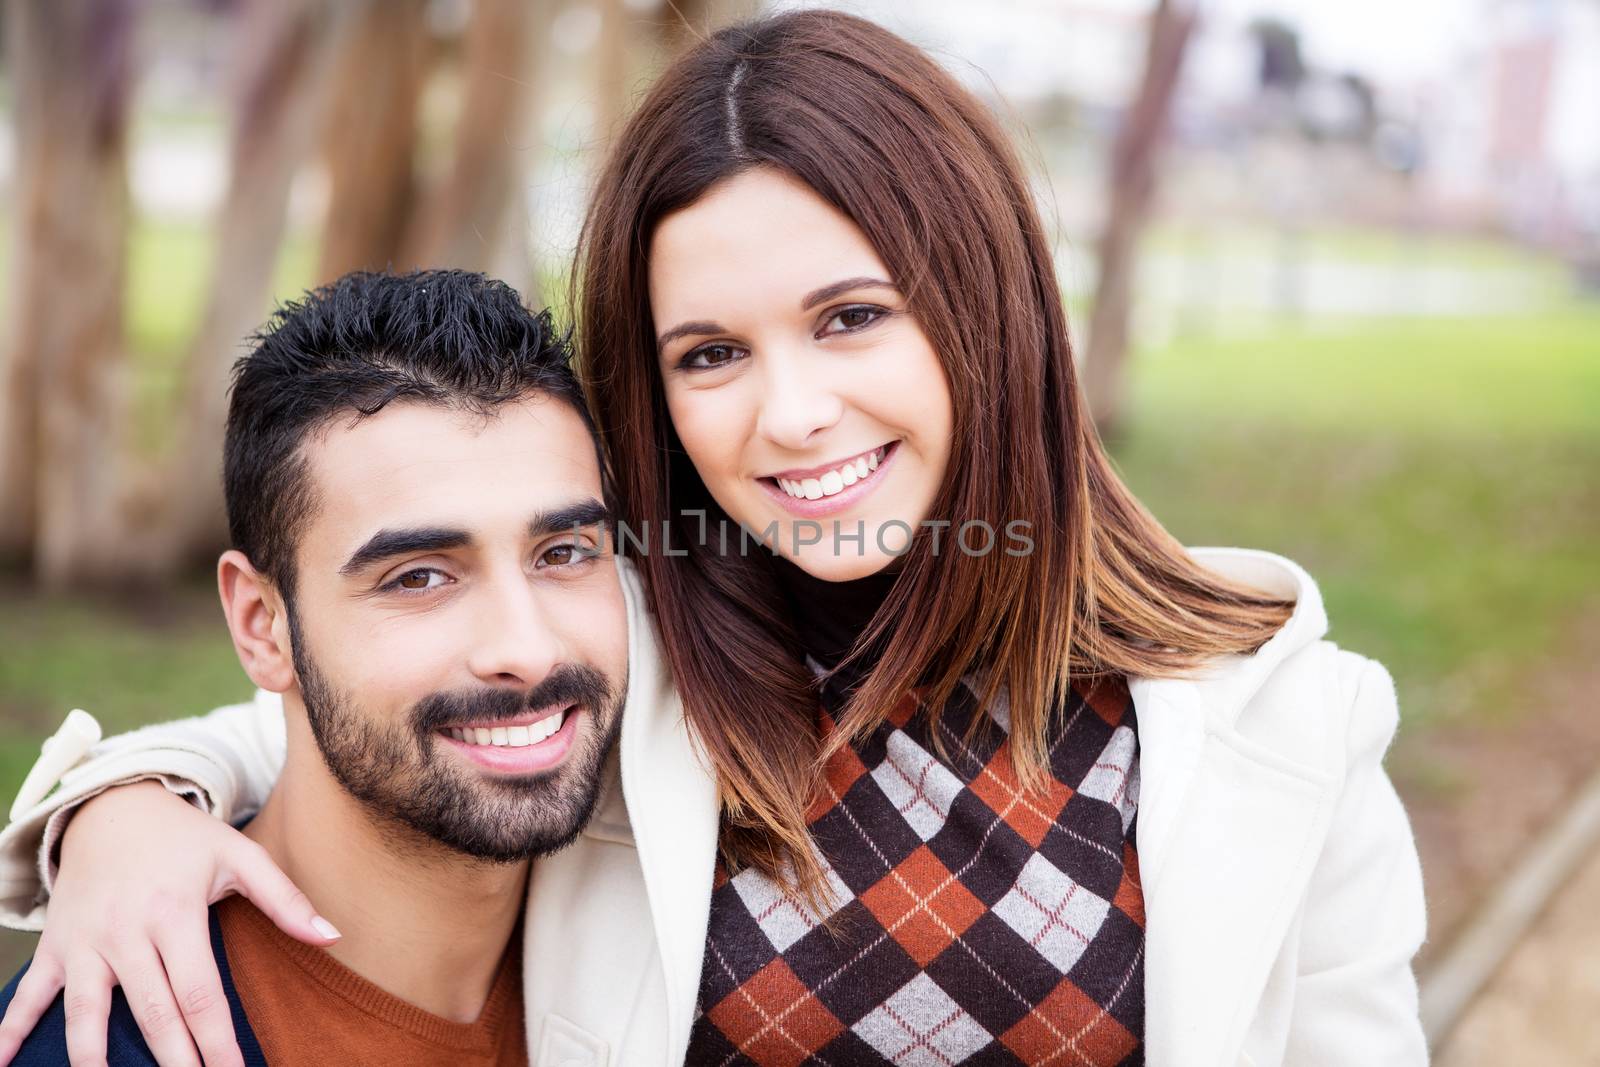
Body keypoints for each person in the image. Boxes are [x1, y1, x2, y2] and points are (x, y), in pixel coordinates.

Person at [0, 10, 1427, 1067]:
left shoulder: (1281, 718)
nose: (792, 416)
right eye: (710, 353)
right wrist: (124, 810)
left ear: (984, 306)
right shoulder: (646, 635)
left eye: (851, 317)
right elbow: (357, 703)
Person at [0, 270, 630, 1064]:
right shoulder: (96, 1040)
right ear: (263, 626)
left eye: (564, 552)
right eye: (419, 576)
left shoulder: (691, 934)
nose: (528, 647)